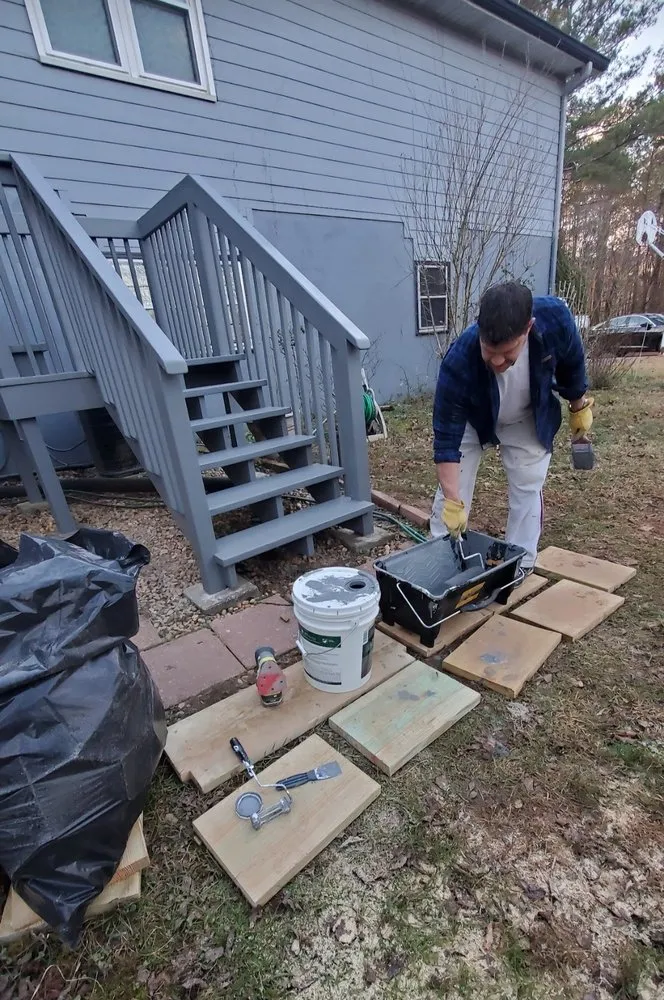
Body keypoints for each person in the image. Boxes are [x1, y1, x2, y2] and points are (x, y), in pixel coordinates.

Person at [430, 282, 593, 571]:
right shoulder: (459, 360)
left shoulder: (555, 321)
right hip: (473, 417)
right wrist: (453, 501)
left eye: (506, 353)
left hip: (526, 414)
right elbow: (446, 441)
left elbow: (572, 364)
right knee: (451, 494)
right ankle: (441, 563)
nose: (495, 360)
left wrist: (578, 406)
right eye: (488, 350)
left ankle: (520, 563)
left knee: (529, 484)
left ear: (528, 328)